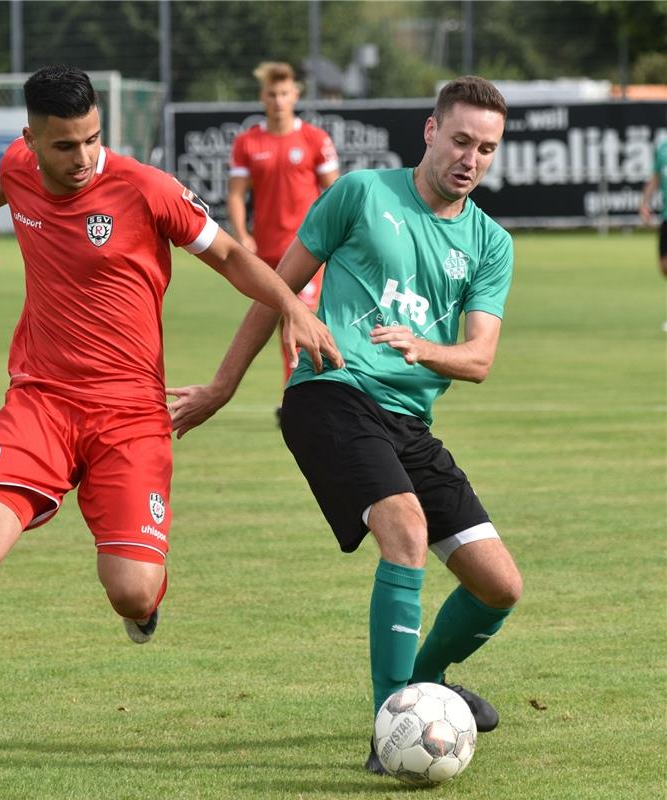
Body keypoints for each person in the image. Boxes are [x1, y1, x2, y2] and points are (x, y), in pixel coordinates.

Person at [0, 65, 342, 758]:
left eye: (93, 139)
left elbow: (232, 258)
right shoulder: (20, 164)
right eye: (65, 146)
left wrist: (289, 308)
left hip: (130, 415)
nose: (83, 157)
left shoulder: (146, 189)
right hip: (40, 397)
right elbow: (5, 187)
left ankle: (147, 604)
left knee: (129, 590)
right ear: (30, 138)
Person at [169, 76, 523, 776]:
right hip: (328, 393)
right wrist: (218, 387)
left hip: (408, 421)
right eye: (459, 140)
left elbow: (478, 358)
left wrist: (424, 348)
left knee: (498, 587)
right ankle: (391, 725)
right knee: (405, 531)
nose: (470, 159)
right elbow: (274, 289)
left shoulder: (489, 243)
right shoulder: (361, 194)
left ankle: (417, 689)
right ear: (429, 131)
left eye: (485, 148)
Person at [228, 62, 340, 403]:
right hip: (266, 253)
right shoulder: (248, 142)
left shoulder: (314, 139)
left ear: (296, 95)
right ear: (263, 97)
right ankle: (298, 396)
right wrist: (242, 235)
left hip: (305, 251)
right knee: (276, 327)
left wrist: (330, 236)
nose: (278, 100)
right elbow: (235, 193)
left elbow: (333, 194)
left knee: (301, 319)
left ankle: (304, 398)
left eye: (284, 93)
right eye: (272, 94)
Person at [638, 136, 667, 278]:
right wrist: (644, 204)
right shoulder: (663, 148)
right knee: (664, 266)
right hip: (666, 215)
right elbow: (656, 178)